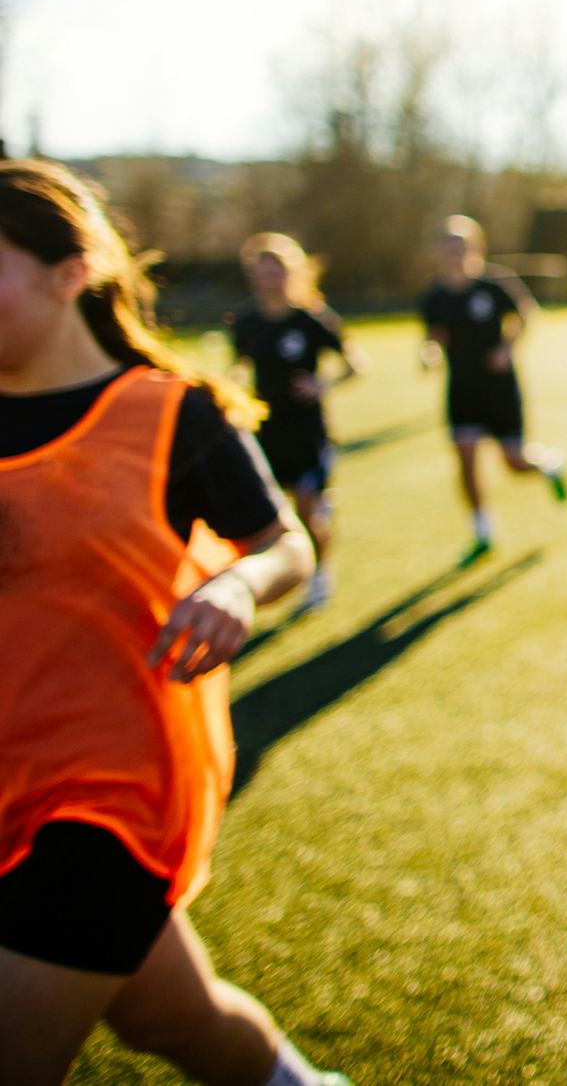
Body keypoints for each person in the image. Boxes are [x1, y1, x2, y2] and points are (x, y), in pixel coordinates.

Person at [0, 161, 349, 1086]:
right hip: (7, 770)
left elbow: (285, 545)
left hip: (114, 791)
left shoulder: (169, 412)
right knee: (174, 1019)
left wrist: (237, 587)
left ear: (67, 272)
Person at [418, 215, 566, 565]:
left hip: (499, 389)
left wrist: (506, 348)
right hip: (462, 391)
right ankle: (483, 530)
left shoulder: (494, 284)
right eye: (449, 249)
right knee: (466, 460)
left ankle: (547, 465)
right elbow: (433, 337)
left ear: (475, 249)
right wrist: (430, 354)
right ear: (440, 253)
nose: (455, 255)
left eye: (461, 248)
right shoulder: (435, 296)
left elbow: (526, 314)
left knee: (514, 463)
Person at [228, 233, 361, 614]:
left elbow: (355, 365)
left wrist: (323, 383)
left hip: (308, 432)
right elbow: (239, 370)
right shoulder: (247, 323)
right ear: (254, 276)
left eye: (279, 271)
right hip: (265, 432)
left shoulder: (312, 320)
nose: (271, 279)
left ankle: (320, 574)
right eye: (264, 271)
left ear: (294, 273)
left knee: (305, 506)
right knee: (270, 515)